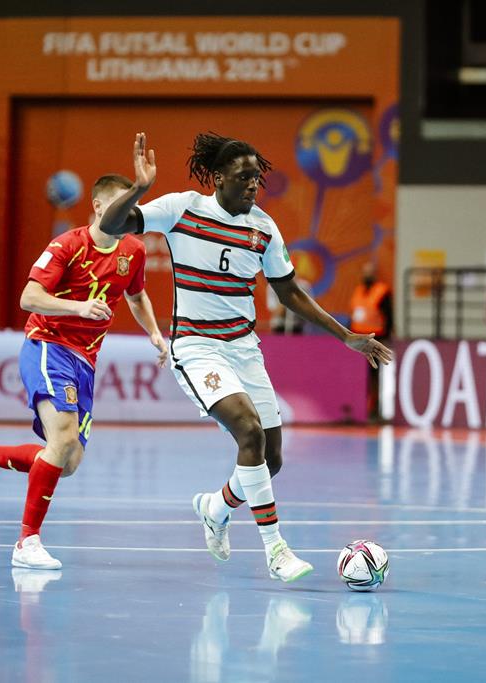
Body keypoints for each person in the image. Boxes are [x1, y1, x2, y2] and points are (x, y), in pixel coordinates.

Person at [97, 132, 392, 583]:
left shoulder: (264, 228)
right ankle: (276, 550)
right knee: (248, 431)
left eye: (257, 178)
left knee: (270, 460)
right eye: (244, 177)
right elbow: (114, 226)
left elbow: (289, 291)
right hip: (196, 347)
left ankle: (215, 507)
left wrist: (345, 335)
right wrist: (138, 189)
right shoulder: (182, 208)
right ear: (218, 178)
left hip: (243, 348)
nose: (253, 185)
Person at [0, 174, 168, 569]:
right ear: (98, 206)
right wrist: (78, 308)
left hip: (86, 361)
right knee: (61, 441)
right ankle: (27, 543)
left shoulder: (133, 249)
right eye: (119, 205)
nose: (126, 214)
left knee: (68, 461)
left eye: (131, 208)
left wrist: (155, 334)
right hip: (49, 346)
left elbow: (137, 293)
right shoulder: (68, 245)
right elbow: (29, 297)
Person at [350, 261, 393, 420]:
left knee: (376, 376)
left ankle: (376, 409)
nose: (367, 275)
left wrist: (387, 338)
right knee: (361, 377)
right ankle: (360, 409)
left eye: (370, 271)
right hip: (358, 340)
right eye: (365, 271)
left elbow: (389, 317)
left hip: (376, 339)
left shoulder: (382, 291)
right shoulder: (358, 290)